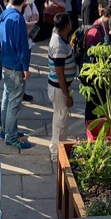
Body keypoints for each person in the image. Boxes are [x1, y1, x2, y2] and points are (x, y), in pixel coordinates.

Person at [0, 0, 33, 149]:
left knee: (7, 97)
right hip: (15, 67)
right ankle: (11, 137)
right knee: (14, 102)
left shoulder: (5, 16)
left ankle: (5, 130)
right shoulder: (18, 19)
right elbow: (22, 46)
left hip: (5, 63)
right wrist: (25, 67)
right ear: (23, 2)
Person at [45, 11, 75, 148]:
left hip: (58, 87)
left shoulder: (59, 36)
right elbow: (60, 74)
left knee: (61, 118)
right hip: (59, 88)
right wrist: (66, 94)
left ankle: (59, 148)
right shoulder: (59, 46)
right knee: (60, 121)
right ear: (67, 25)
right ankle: (57, 152)